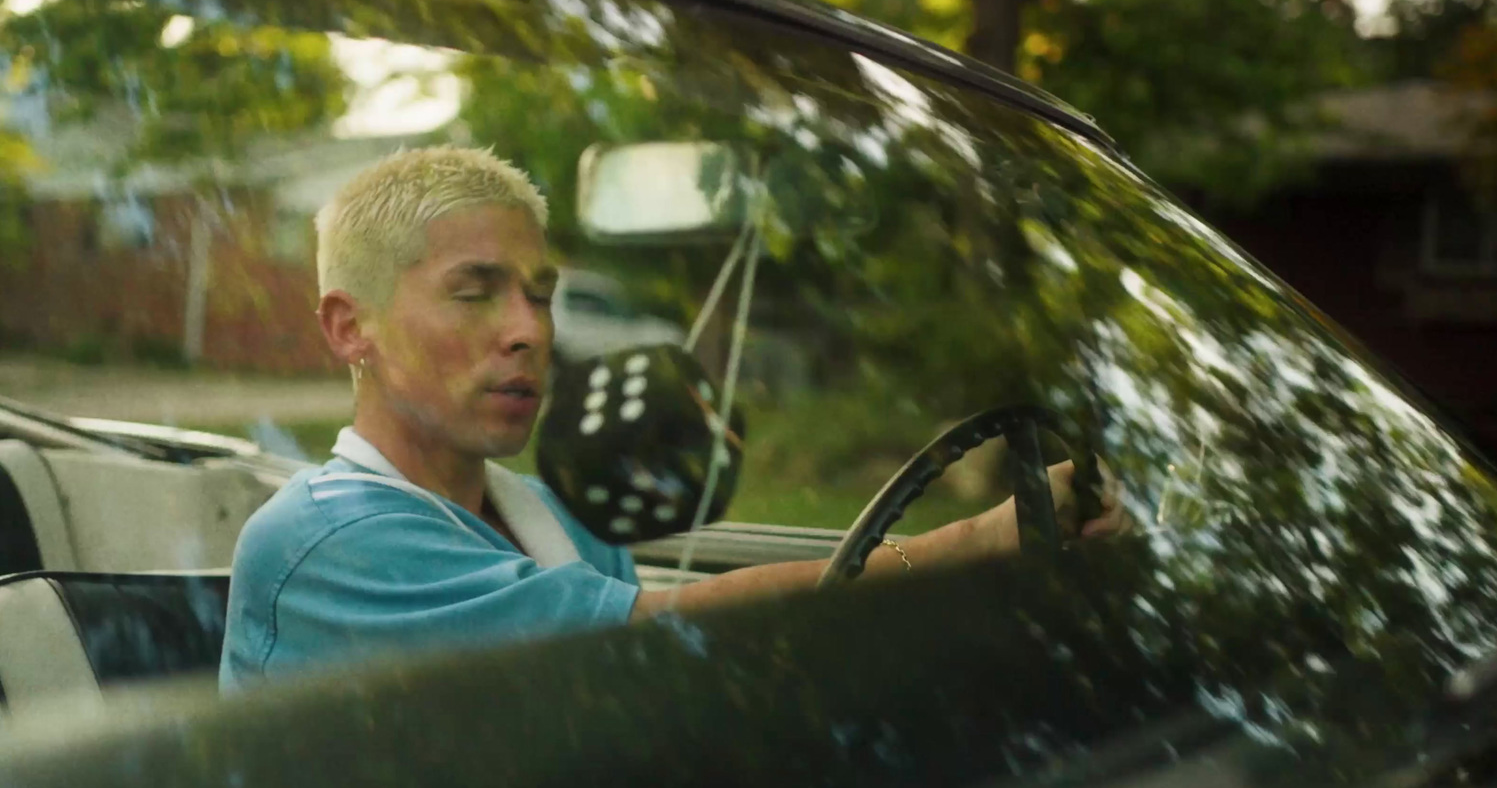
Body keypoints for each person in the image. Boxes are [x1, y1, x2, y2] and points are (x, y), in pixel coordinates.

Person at [219, 147, 1123, 691]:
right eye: (474, 292)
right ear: (351, 328)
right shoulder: (320, 545)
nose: (528, 330)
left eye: (540, 296)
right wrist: (976, 541)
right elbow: (660, 632)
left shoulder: (550, 514)